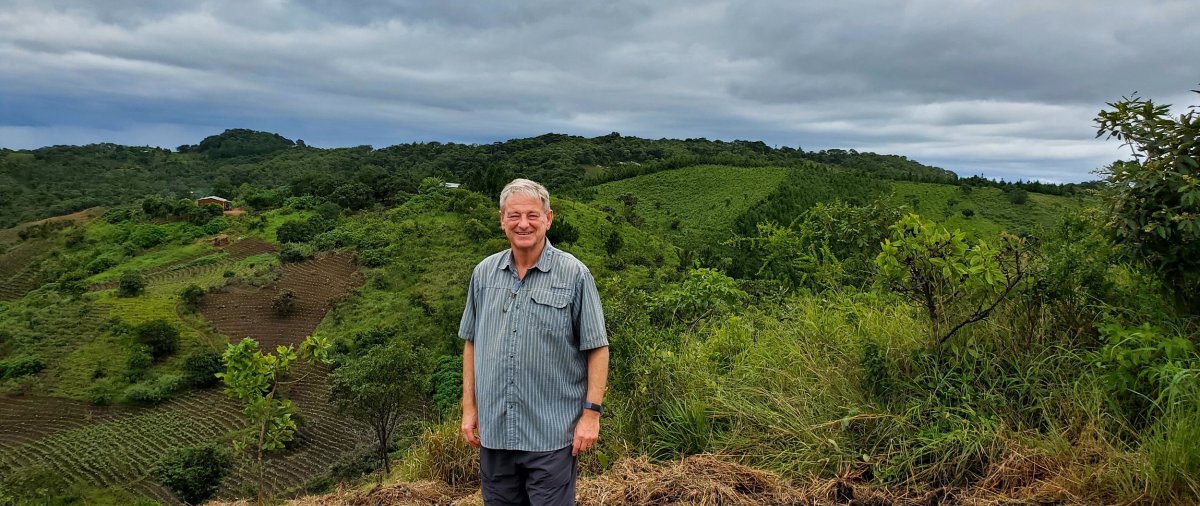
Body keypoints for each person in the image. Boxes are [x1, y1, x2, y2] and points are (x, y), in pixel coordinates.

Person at [459, 178, 610, 506]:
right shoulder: (483, 275)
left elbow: (597, 347)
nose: (523, 223)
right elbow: (471, 342)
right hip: (496, 434)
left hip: (551, 435)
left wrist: (591, 414)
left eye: (532, 215)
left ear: (548, 218)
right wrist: (469, 407)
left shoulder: (574, 274)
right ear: (502, 220)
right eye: (514, 216)